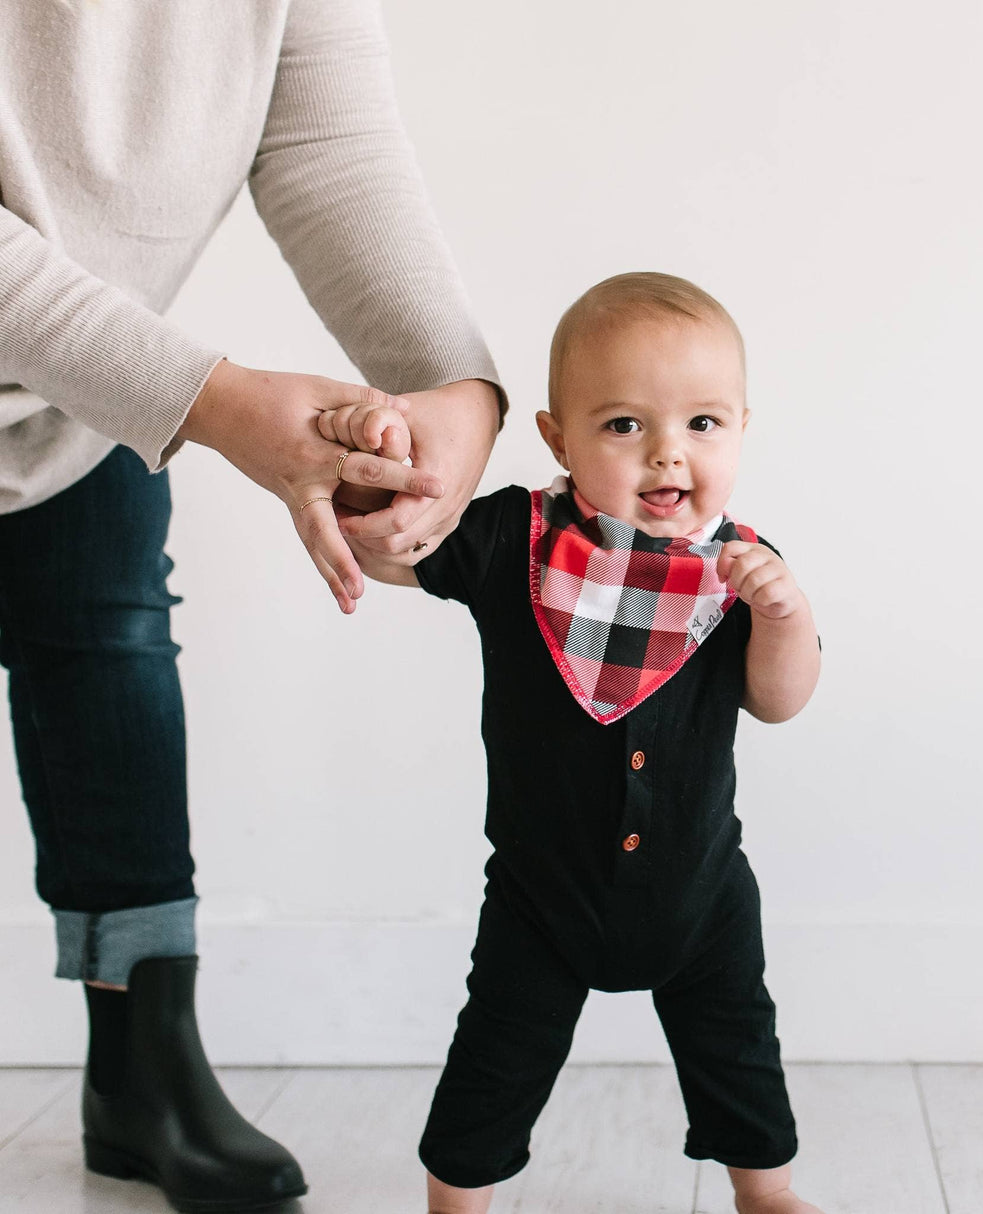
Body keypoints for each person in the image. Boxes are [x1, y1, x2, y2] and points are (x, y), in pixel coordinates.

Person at [0, 2, 502, 1209]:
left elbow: (329, 146)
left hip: (71, 393)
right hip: (104, 364)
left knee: (110, 669)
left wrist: (452, 392)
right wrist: (214, 402)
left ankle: (141, 1067)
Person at [324, 272, 825, 1214]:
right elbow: (395, 548)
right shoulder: (516, 538)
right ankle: (458, 1198)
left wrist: (787, 616)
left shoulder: (742, 570)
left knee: (738, 1049)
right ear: (559, 436)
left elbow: (779, 701)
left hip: (701, 891)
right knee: (498, 1056)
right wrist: (378, 480)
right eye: (625, 425)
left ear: (744, 429)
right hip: (541, 898)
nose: (668, 453)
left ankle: (766, 1191)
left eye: (704, 424)